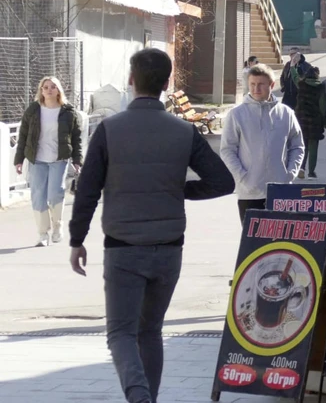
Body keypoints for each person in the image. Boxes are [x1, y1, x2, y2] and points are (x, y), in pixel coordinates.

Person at [67, 48, 234, 403]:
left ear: (131, 80)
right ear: (167, 83)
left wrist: (76, 239)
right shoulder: (183, 131)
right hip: (169, 246)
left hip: (123, 246)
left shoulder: (110, 130)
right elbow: (223, 182)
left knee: (121, 334)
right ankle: (149, 399)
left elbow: (87, 190)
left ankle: (139, 395)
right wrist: (179, 189)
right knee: (150, 331)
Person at [221, 63, 305, 221]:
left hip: (281, 191)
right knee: (253, 243)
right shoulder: (236, 115)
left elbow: (297, 146)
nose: (255, 89)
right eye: (252, 84)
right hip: (250, 193)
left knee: (281, 242)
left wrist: (290, 174)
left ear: (272, 85)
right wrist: (242, 177)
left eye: (261, 84)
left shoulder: (286, 113)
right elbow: (227, 149)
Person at [14, 76, 83, 246]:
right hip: (37, 159)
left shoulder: (68, 112)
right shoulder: (33, 110)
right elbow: (23, 135)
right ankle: (42, 233)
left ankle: (57, 227)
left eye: (53, 87)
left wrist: (77, 160)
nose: (49, 89)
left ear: (58, 90)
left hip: (58, 159)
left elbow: (76, 138)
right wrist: (19, 159)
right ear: (41, 90)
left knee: (55, 194)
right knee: (38, 196)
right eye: (46, 87)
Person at [294, 66, 326, 179]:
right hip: (315, 120)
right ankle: (311, 172)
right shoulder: (321, 87)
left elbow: (294, 77)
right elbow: (322, 105)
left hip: (301, 119)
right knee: (313, 147)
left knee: (303, 145)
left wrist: (293, 66)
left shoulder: (301, 85)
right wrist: (324, 120)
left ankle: (301, 167)